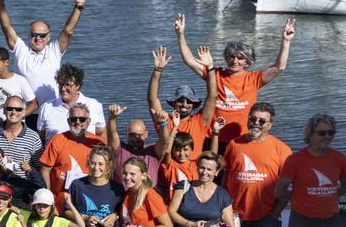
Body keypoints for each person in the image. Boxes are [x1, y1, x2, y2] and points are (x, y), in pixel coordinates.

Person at [176, 14, 293, 143]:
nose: (235, 61)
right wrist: (180, 34)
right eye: (231, 56)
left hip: (240, 138)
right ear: (226, 58)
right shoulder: (215, 75)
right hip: (212, 137)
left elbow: (279, 67)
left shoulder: (254, 79)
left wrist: (286, 41)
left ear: (247, 62)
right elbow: (188, 60)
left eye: (240, 58)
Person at [0, 0, 88, 111]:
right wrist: (0, 1)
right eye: (34, 35)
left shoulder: (54, 50)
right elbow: (6, 26)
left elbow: (68, 30)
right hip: (23, 113)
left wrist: (78, 6)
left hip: (51, 110)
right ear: (29, 35)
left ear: (49, 37)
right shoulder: (21, 48)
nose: (38, 38)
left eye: (42, 35)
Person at [148, 38, 218, 156]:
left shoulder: (200, 122)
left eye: (189, 101)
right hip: (169, 170)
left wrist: (210, 68)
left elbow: (213, 96)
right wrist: (158, 70)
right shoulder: (164, 120)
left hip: (193, 171)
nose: (185, 104)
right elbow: (152, 99)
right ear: (174, 103)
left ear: (194, 105)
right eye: (180, 101)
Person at [39, 103, 104, 208]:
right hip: (61, 199)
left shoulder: (98, 143)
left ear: (88, 121)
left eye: (82, 119)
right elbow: (45, 170)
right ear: (69, 121)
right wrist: (48, 197)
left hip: (89, 197)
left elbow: (106, 171)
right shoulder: (57, 140)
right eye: (74, 119)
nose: (77, 122)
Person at [0, 94, 43, 191]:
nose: (13, 112)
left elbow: (39, 167)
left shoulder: (33, 137)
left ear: (24, 112)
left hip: (22, 188)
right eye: (10, 108)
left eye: (18, 109)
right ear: (4, 110)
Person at [38, 64, 107, 142]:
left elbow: (101, 132)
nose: (63, 89)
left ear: (78, 85)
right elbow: (41, 137)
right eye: (60, 84)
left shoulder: (94, 105)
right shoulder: (46, 107)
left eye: (68, 85)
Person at [0, 47, 38, 128]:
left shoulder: (20, 81)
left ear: (6, 63)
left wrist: (17, 118)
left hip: (16, 129)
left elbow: (34, 104)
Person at [107, 101, 161, 184]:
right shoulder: (120, 150)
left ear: (146, 134)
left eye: (139, 135)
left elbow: (165, 141)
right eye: (132, 135)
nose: (136, 139)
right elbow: (112, 133)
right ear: (127, 134)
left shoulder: (154, 151)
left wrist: (162, 123)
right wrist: (113, 117)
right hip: (123, 196)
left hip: (149, 195)